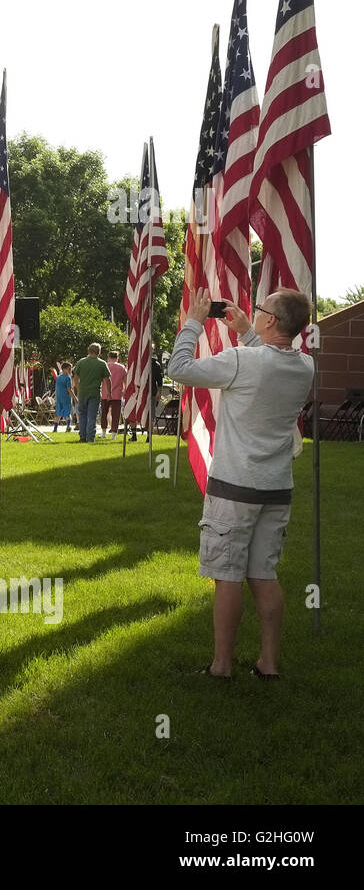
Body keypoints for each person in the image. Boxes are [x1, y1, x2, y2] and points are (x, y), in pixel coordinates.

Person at [169, 286, 313, 680]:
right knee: (264, 574)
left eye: (261, 307)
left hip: (234, 488)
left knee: (228, 575)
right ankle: (268, 663)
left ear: (272, 320)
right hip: (277, 489)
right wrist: (249, 331)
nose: (256, 309)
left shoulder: (240, 360)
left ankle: (222, 666)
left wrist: (194, 323)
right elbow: (269, 363)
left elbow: (178, 368)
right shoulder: (305, 367)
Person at [71, 343, 111, 442]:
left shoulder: (81, 362)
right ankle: (90, 437)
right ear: (99, 352)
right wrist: (109, 393)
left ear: (88, 350)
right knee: (92, 416)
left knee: (82, 415)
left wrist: (78, 389)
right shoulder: (102, 363)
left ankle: (82, 436)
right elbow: (107, 380)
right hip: (95, 392)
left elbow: (75, 378)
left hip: (82, 392)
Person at [100, 349, 128, 438]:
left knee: (104, 414)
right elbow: (126, 381)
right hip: (117, 394)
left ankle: (103, 433)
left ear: (108, 357)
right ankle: (113, 434)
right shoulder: (122, 368)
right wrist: (124, 391)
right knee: (116, 414)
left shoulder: (105, 366)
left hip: (105, 393)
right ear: (117, 358)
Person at [54, 362, 74, 430]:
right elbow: (69, 389)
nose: (70, 370)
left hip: (59, 398)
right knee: (67, 413)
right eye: (69, 369)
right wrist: (75, 398)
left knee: (58, 413)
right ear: (64, 369)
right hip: (66, 398)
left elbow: (57, 388)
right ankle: (68, 427)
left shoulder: (58, 377)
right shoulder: (68, 378)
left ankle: (55, 429)